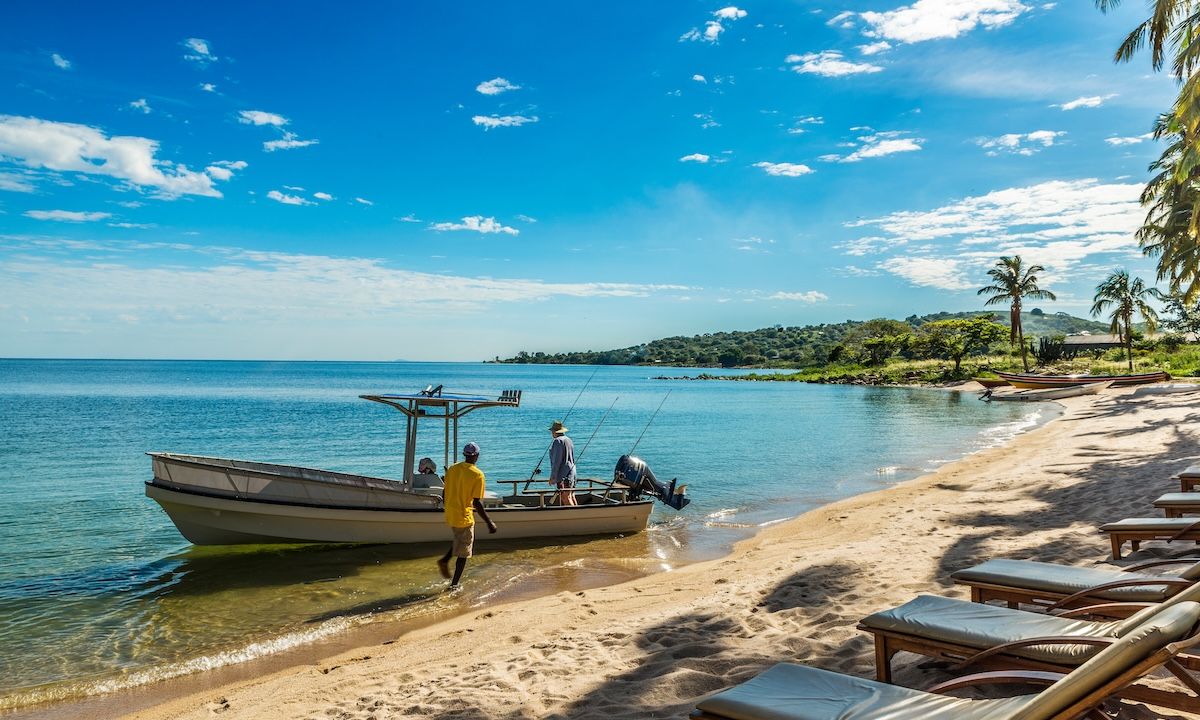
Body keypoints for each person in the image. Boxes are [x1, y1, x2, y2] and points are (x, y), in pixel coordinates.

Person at [437, 442, 496, 587]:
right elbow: (477, 503)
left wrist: (447, 506)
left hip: (451, 513)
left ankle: (444, 560)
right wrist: (489, 522)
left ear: (464, 455)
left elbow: (444, 491)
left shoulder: (452, 468)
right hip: (464, 516)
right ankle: (454, 585)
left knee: (459, 540)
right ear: (477, 456)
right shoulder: (478, 475)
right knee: (464, 553)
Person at [547, 420, 577, 506]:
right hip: (572, 472)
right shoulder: (569, 440)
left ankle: (574, 517)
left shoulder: (557, 441)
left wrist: (553, 477)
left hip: (564, 475)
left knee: (565, 497)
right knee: (571, 496)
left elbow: (557, 461)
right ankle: (578, 515)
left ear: (554, 432)